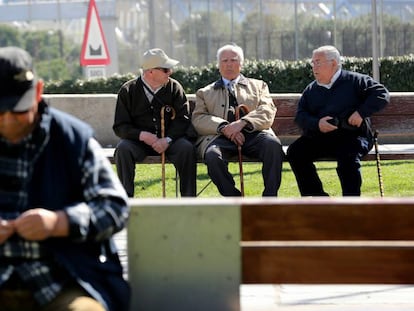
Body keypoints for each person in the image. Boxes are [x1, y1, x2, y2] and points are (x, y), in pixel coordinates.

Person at [0, 47, 130, 311]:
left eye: (18, 111)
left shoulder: (73, 139)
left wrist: (60, 222)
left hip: (63, 279)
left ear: (38, 92)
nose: (7, 122)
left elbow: (114, 207)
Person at [286, 45, 390, 196]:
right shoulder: (311, 89)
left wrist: (361, 113)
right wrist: (317, 124)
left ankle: (349, 204)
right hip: (321, 136)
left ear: (333, 63)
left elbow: (382, 94)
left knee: (348, 158)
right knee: (295, 152)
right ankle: (317, 200)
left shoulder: (356, 80)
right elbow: (301, 116)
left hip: (353, 136)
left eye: (318, 62)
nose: (314, 67)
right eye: (313, 63)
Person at [192, 43, 284, 196]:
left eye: (233, 60)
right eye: (224, 61)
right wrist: (224, 127)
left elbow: (267, 110)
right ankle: (234, 199)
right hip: (219, 137)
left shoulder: (259, 85)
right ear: (218, 65)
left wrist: (242, 123)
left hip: (255, 134)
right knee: (213, 156)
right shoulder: (205, 92)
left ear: (241, 63)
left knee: (273, 146)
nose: (229, 64)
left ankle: (270, 200)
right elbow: (198, 118)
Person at [113, 48, 196, 197]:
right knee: (123, 149)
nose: (170, 72)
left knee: (187, 149)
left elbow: (183, 120)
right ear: (150, 72)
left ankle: (188, 200)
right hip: (139, 143)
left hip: (171, 141)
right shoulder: (128, 90)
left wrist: (167, 140)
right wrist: (142, 135)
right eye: (165, 69)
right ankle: (126, 201)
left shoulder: (174, 87)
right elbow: (120, 127)